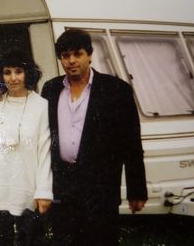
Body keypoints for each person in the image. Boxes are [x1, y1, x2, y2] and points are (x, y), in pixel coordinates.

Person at [41, 29, 147, 246]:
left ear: (89, 54)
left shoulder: (116, 90)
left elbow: (132, 144)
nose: (71, 61)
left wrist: (137, 190)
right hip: (63, 190)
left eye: (77, 54)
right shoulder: (51, 89)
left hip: (100, 192)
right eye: (65, 55)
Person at [0, 50, 53, 246]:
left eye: (18, 71)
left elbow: (44, 151)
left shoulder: (41, 106)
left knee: (31, 240)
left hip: (27, 187)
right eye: (7, 72)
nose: (13, 78)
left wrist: (44, 191)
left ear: (27, 73)